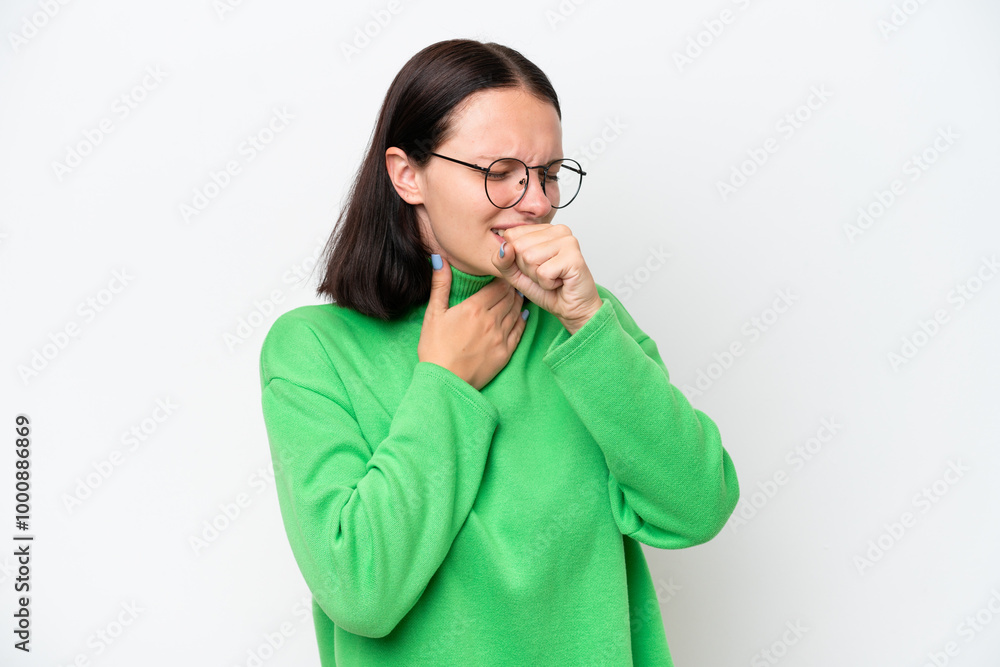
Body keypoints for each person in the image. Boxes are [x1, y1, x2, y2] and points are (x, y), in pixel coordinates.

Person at [259, 38, 739, 666]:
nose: (536, 201)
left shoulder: (585, 326)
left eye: (547, 174)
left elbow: (696, 508)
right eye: (500, 172)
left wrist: (587, 324)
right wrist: (445, 383)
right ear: (407, 174)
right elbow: (360, 590)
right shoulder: (313, 351)